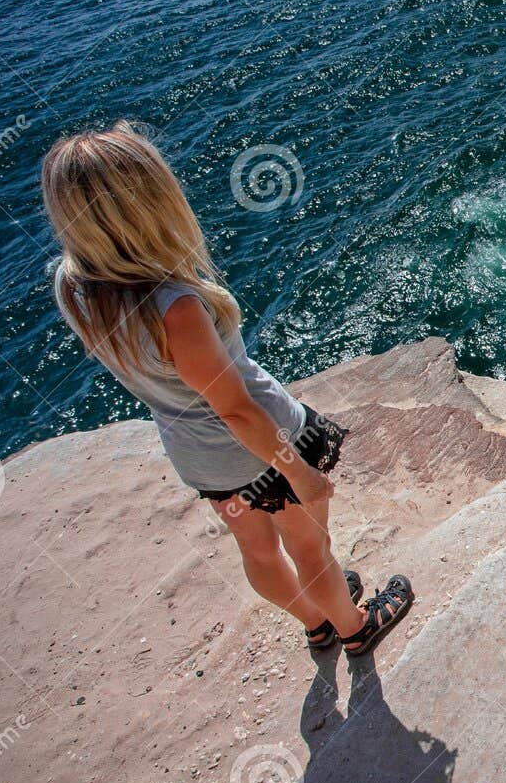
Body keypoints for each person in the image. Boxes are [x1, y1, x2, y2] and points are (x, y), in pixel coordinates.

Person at [41, 120, 411, 656]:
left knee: (258, 554)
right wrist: (298, 470)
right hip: (262, 450)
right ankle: (355, 627)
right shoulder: (176, 307)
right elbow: (237, 410)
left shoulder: (73, 287)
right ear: (149, 204)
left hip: (200, 461)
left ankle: (317, 622)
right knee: (312, 550)